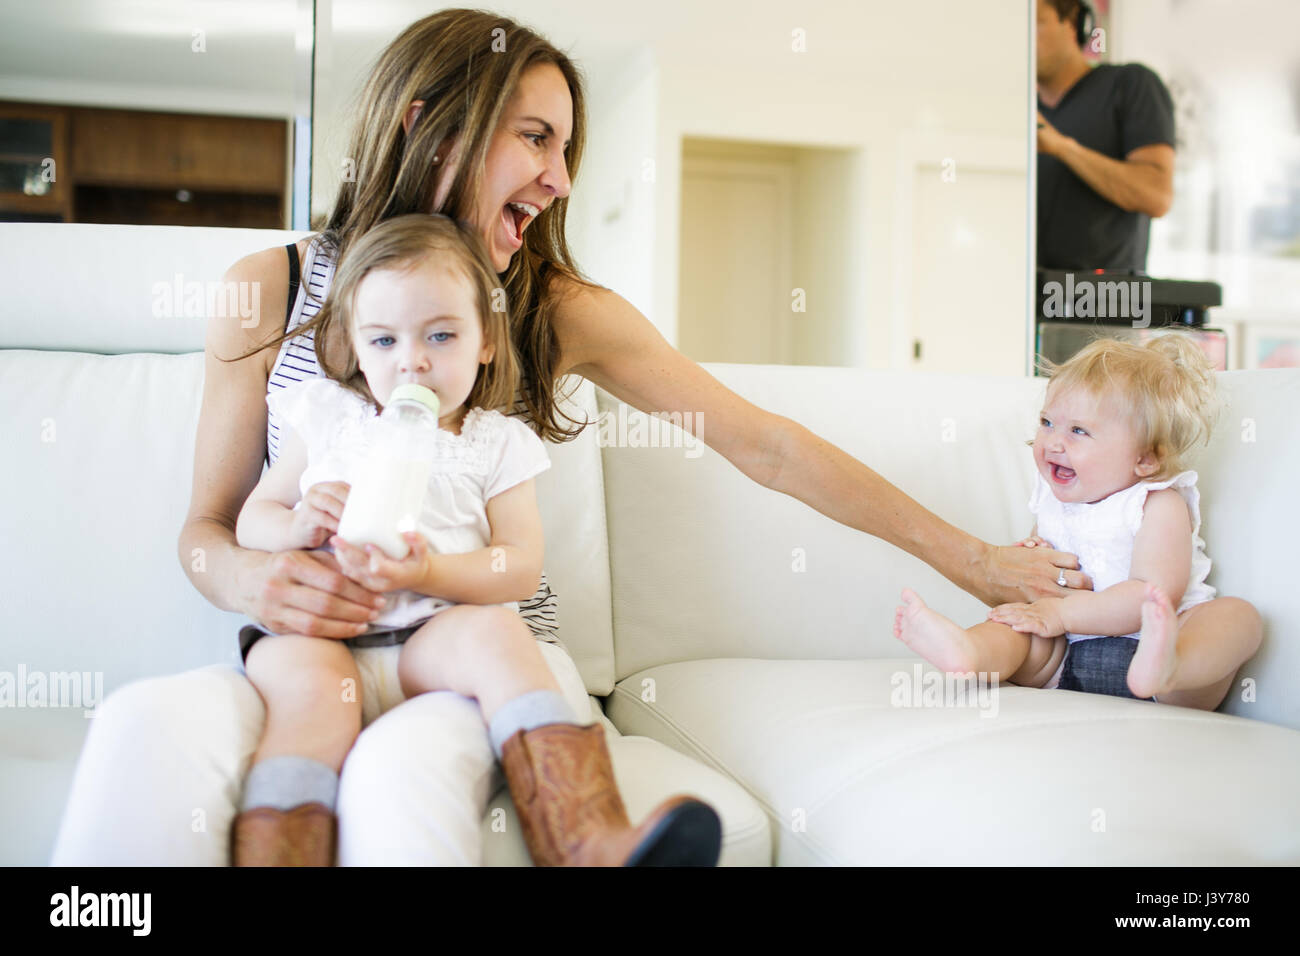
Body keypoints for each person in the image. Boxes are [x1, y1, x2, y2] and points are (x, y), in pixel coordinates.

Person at [52, 9, 1083, 867]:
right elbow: (205, 530)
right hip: (306, 649)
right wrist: (253, 580)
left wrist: (983, 561)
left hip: (472, 651)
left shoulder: (555, 308)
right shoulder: (263, 293)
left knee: (404, 783)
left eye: (566, 147)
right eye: (536, 138)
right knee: (141, 732)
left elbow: (762, 444)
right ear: (430, 127)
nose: (560, 179)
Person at [229, 213, 720, 865]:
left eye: (440, 334)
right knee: (310, 705)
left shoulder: (498, 442)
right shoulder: (329, 417)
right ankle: (279, 853)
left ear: (485, 340)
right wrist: (295, 526)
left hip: (430, 638)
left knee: (498, 637)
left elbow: (517, 567)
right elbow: (250, 519)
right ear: (352, 344)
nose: (412, 360)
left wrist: (428, 571)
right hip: (321, 636)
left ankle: (588, 836)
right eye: (383, 341)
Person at [894, 334, 1262, 708]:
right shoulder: (1052, 501)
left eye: (1078, 430)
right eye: (1048, 422)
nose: (1053, 442)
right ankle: (970, 653)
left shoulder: (1155, 503)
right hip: (1063, 656)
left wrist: (1061, 612)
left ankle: (1170, 667)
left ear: (1146, 459)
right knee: (1018, 629)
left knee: (1238, 618)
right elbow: (1043, 570)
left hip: (1159, 650)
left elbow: (1152, 595)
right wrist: (1033, 554)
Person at [1035, 0, 1176, 272]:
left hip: (1106, 305)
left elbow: (1157, 195)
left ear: (1074, 23)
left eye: (1036, 23)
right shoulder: (1021, 113)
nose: (1023, 39)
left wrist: (1063, 148)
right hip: (1032, 301)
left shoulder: (1129, 85)